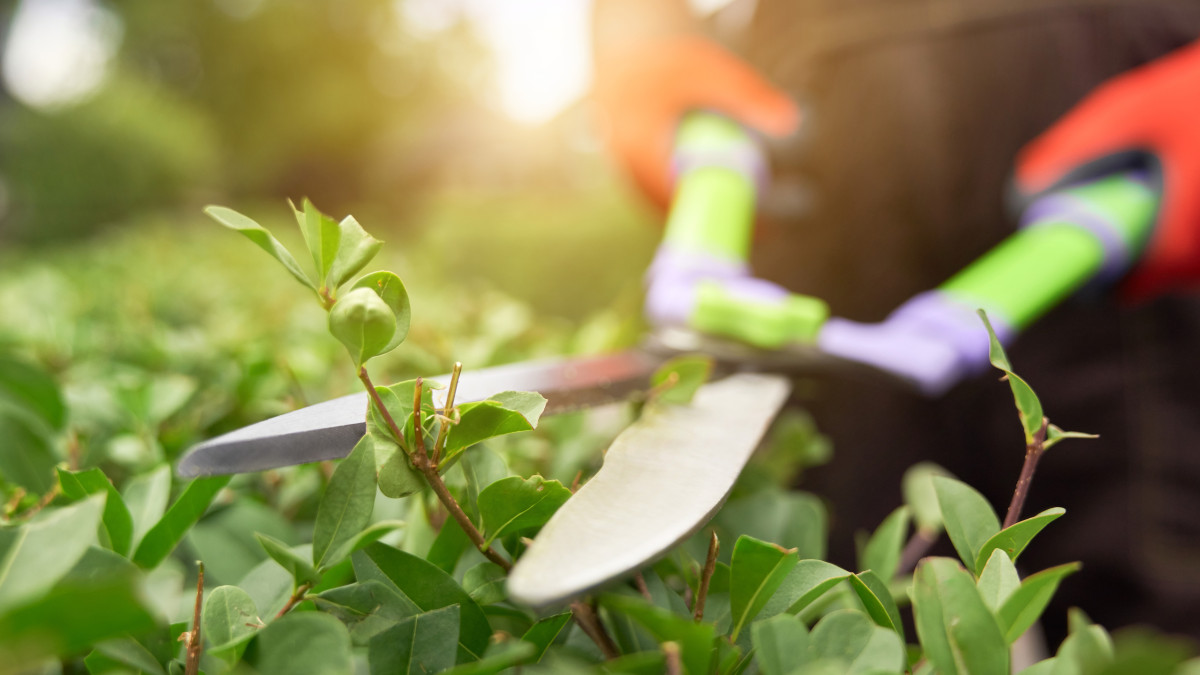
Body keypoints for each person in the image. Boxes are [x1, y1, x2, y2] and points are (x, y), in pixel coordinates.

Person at [591, 0, 1200, 642]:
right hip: (821, 112)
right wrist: (640, 32)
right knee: (831, 617)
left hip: (1118, 80)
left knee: (1159, 629)